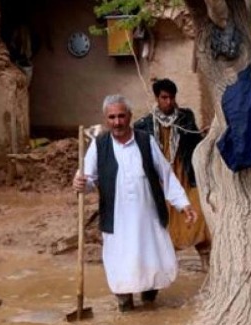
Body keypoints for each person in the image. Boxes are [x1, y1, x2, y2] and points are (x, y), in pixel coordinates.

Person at [73, 94, 197, 312]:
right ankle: (125, 305)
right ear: (106, 119)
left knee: (151, 265)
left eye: (121, 116)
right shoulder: (98, 146)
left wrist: (183, 204)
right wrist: (80, 183)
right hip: (117, 220)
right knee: (121, 266)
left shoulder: (145, 140)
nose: (117, 122)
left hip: (147, 218)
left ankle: (150, 302)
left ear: (130, 116)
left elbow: (166, 175)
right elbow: (88, 180)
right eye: (112, 117)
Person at [133, 78, 212, 271]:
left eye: (171, 97)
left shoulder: (185, 118)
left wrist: (206, 136)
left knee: (197, 213)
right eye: (164, 98)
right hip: (160, 179)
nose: (168, 102)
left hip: (184, 174)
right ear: (157, 98)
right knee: (161, 220)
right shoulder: (144, 124)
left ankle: (205, 261)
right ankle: (163, 266)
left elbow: (195, 143)